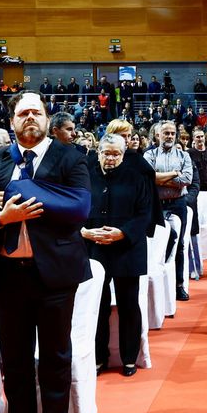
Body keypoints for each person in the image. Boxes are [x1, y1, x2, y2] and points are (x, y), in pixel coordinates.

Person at [0, 91, 92, 413]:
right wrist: (0, 219)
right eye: (23, 113)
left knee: (55, 355)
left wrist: (35, 200)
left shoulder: (70, 156)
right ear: (12, 121)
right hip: (9, 274)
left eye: (36, 112)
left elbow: (79, 211)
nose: (30, 119)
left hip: (55, 275)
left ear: (46, 118)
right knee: (15, 358)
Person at [83, 134, 149, 377]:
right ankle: (99, 357)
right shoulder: (86, 175)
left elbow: (145, 214)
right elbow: (76, 208)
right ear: (98, 151)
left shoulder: (136, 177)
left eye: (116, 154)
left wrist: (122, 233)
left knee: (128, 305)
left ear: (123, 155)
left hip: (127, 249)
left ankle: (129, 358)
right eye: (106, 153)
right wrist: (85, 232)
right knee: (97, 306)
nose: (110, 158)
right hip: (94, 248)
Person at [144, 121, 193, 301]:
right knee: (156, 243)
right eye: (166, 133)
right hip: (156, 204)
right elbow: (148, 178)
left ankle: (179, 285)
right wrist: (174, 174)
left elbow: (187, 179)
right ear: (158, 135)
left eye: (172, 133)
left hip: (178, 203)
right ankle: (157, 287)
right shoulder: (149, 155)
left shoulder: (184, 155)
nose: (170, 136)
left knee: (179, 244)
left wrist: (159, 178)